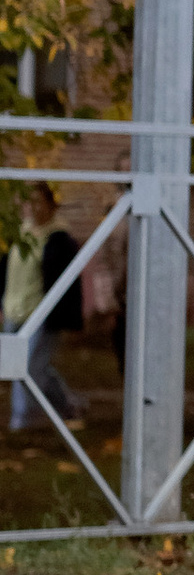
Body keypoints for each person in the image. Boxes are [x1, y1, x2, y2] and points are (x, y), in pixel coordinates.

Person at [5, 179, 85, 436]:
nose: (34, 208)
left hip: (39, 314)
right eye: (30, 202)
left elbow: (66, 284)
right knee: (31, 368)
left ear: (52, 205)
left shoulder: (60, 239)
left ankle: (21, 420)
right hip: (13, 310)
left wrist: (65, 317)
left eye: (40, 202)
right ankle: (68, 404)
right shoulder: (19, 234)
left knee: (26, 368)